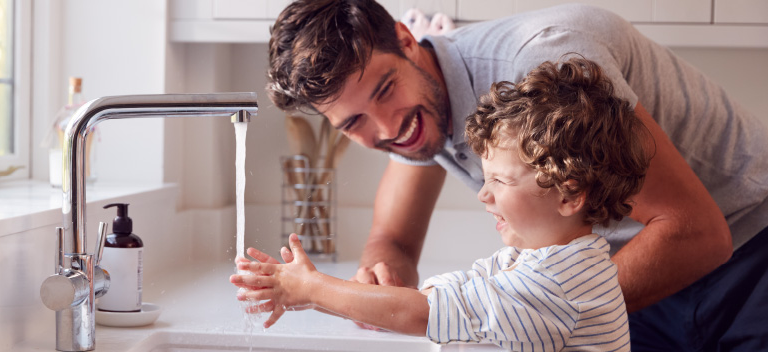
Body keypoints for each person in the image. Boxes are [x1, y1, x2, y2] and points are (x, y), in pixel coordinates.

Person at [264, 1, 768, 350]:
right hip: (639, 271)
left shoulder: (540, 71)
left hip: (750, 250)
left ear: (405, 38)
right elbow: (392, 238)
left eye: (384, 90)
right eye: (353, 123)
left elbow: (697, 233)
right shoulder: (414, 120)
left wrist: (521, 312)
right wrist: (381, 277)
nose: (388, 127)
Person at [233, 57, 647, 350]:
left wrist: (314, 287)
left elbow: (426, 313)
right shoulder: (533, 260)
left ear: (571, 195)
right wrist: (314, 297)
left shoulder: (558, 284)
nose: (483, 195)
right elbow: (447, 292)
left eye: (499, 181)